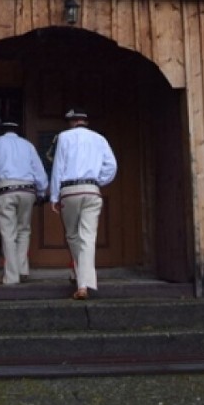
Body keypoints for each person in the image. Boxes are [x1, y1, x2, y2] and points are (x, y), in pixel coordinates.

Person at [49, 107, 117, 300]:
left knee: (72, 235)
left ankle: (81, 281)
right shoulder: (99, 138)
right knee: (88, 237)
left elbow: (58, 167)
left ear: (71, 122)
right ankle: (83, 283)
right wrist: (97, 180)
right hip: (92, 190)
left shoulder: (63, 137)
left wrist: (54, 196)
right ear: (85, 121)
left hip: (70, 190)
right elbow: (111, 166)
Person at [0, 120, 49, 285]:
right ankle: (23, 270)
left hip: (7, 190)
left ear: (1, 131)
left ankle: (11, 276)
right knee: (24, 230)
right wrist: (41, 192)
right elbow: (39, 172)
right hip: (28, 191)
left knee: (8, 234)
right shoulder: (28, 145)